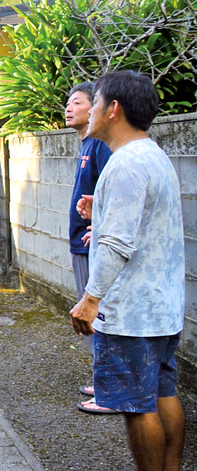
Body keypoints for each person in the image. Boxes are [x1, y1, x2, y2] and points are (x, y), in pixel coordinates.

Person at [70, 71, 185, 471]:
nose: (91, 110)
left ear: (113, 109)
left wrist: (91, 299)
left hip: (131, 315)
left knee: (137, 407)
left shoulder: (124, 165)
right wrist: (97, 207)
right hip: (163, 308)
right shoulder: (152, 155)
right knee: (163, 394)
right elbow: (143, 222)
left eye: (95, 102)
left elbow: (117, 245)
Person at [64, 82, 116, 414]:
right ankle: (103, 379)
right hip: (82, 240)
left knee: (96, 314)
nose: (70, 108)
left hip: (91, 243)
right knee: (90, 315)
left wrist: (99, 226)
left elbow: (112, 194)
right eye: (68, 103)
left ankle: (109, 388)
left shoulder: (99, 146)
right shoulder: (86, 145)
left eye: (79, 102)